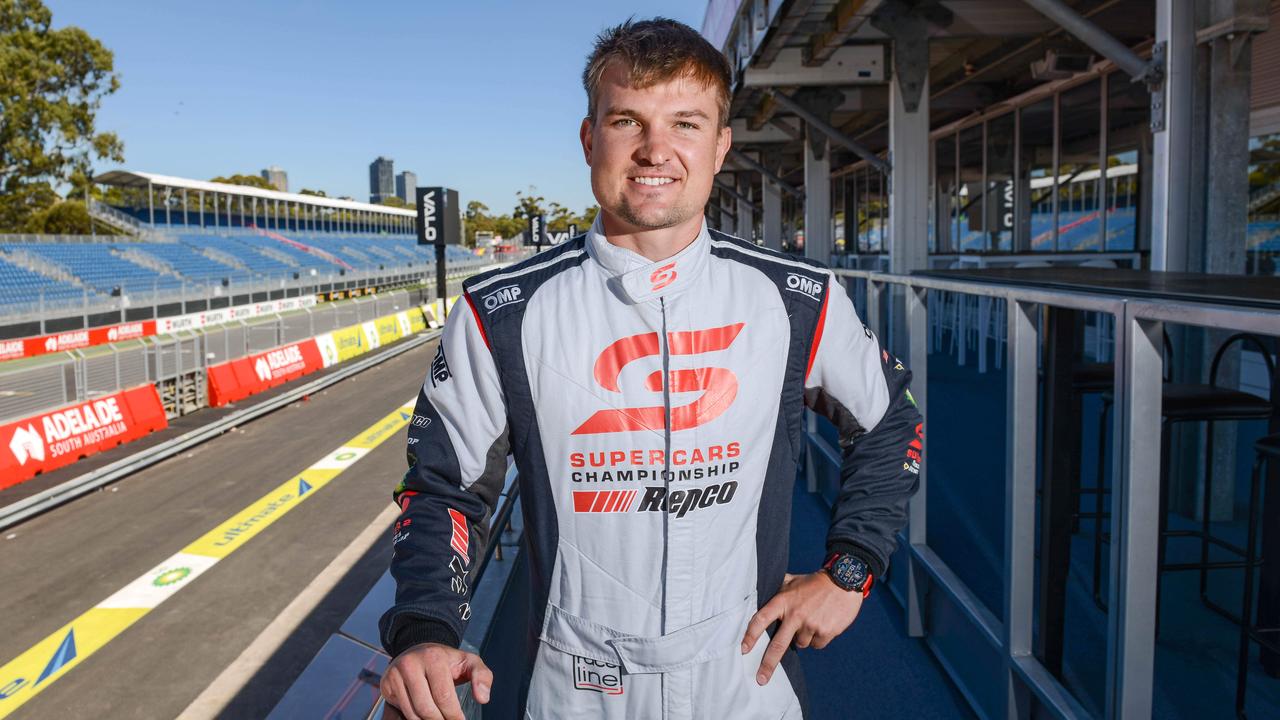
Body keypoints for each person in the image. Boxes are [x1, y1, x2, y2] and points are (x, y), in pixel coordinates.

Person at [378, 17, 921, 720]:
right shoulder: (501, 312)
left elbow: (890, 423)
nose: (655, 150)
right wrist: (424, 630)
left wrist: (849, 570)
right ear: (588, 139)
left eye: (686, 124)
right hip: (564, 693)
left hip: (745, 686)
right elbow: (441, 490)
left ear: (721, 145)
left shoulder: (794, 300)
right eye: (627, 120)